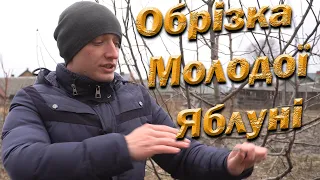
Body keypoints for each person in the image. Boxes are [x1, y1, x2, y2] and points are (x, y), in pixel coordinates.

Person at [1, 1, 267, 180]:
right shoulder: (34, 100)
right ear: (72, 47)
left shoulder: (136, 98)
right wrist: (122, 148)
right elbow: (22, 162)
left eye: (116, 42)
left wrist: (228, 163)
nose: (112, 53)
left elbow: (184, 153)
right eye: (98, 41)